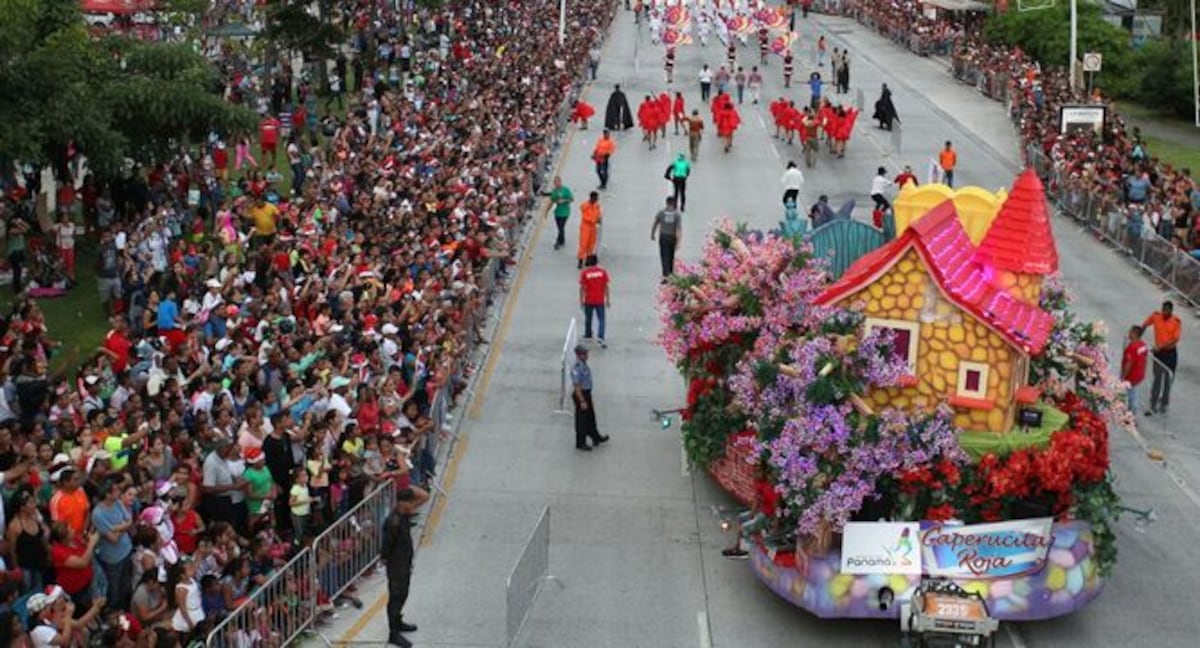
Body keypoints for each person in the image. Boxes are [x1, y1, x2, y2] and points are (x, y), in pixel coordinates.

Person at [381, 487, 429, 648]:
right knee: (396, 596)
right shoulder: (393, 521)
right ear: (403, 503)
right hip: (396, 565)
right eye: (410, 502)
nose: (413, 506)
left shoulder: (404, 514)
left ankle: (398, 621)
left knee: (403, 594)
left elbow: (424, 496)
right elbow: (386, 547)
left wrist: (405, 482)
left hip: (404, 562)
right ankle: (393, 633)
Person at [1143, 301, 1181, 415]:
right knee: (1157, 380)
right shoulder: (1156, 316)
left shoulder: (1176, 322)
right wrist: (1138, 338)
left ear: (1171, 311)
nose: (1164, 312)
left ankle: (1164, 403)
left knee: (1168, 380)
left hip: (1170, 354)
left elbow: (1175, 340)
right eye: (1163, 309)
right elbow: (1144, 325)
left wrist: (1161, 346)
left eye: (1167, 310)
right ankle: (1153, 404)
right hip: (1158, 354)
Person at [570, 345, 608, 451]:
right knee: (581, 420)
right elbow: (577, 386)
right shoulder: (577, 367)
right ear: (578, 355)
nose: (587, 356)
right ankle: (580, 443)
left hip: (587, 393)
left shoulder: (583, 364)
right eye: (584, 354)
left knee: (591, 416)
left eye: (586, 353)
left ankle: (595, 436)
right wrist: (582, 401)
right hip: (581, 394)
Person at [579, 255, 610, 346]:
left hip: (589, 299)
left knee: (588, 318)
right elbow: (606, 287)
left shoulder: (585, 273)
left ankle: (588, 334)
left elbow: (582, 288)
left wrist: (581, 300)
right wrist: (607, 299)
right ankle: (601, 336)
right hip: (600, 300)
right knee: (601, 319)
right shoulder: (602, 272)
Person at [651, 197, 682, 278]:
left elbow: (655, 223)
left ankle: (666, 273)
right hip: (672, 237)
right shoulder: (676, 215)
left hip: (664, 236)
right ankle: (670, 272)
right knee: (671, 255)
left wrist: (652, 234)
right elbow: (678, 229)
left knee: (664, 255)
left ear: (666, 203)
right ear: (674, 204)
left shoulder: (661, 213)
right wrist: (678, 242)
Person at [1122, 325, 1149, 415]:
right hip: (1139, 375)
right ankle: (1130, 414)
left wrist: (1123, 376)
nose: (1128, 333)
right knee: (1134, 395)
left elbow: (1129, 364)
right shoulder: (1143, 345)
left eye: (1130, 332)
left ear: (1134, 334)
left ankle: (1131, 416)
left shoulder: (1132, 347)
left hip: (1131, 376)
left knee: (1132, 397)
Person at [577, 192, 602, 269]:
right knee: (583, 244)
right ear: (592, 198)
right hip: (586, 227)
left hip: (593, 228)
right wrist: (595, 220)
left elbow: (599, 214)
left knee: (591, 244)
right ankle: (580, 260)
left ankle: (588, 259)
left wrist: (599, 219)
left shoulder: (597, 206)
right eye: (596, 198)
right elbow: (585, 217)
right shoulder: (585, 206)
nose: (597, 200)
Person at [547, 177, 574, 251]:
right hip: (557, 212)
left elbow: (571, 199)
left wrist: (564, 200)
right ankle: (562, 240)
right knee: (560, 228)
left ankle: (557, 242)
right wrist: (547, 211)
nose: (556, 184)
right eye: (555, 182)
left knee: (561, 227)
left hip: (565, 212)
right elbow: (551, 201)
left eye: (558, 182)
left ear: (560, 182)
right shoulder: (554, 191)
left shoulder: (566, 190)